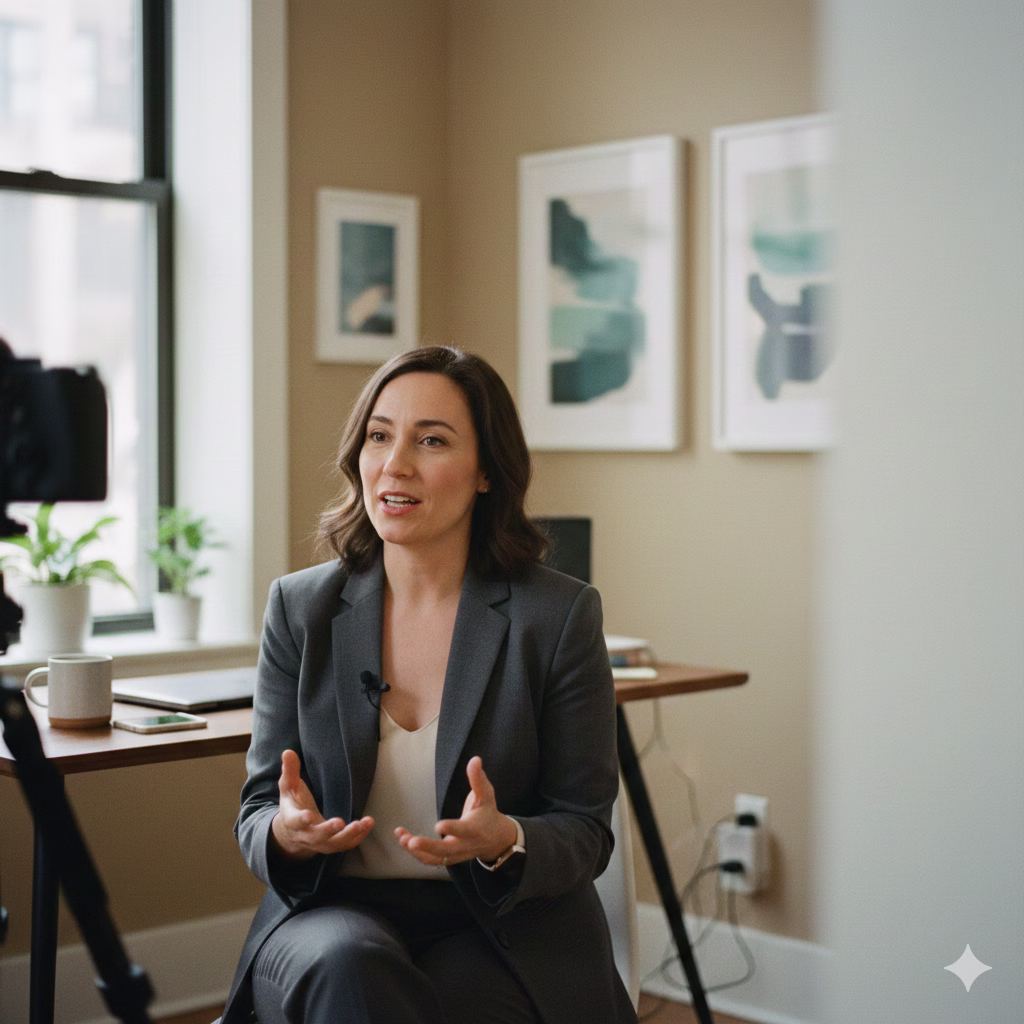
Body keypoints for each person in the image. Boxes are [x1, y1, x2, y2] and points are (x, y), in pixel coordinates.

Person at [219, 346, 636, 1024]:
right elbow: (258, 810)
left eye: (432, 440)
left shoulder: (558, 615)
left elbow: (585, 829)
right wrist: (286, 832)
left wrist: (507, 839)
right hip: (333, 917)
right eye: (379, 435)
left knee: (458, 1003)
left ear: (485, 473)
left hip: (504, 927)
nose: (395, 463)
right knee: (353, 972)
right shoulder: (301, 609)